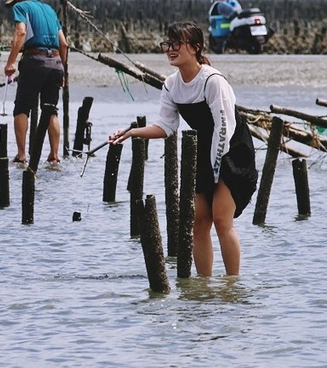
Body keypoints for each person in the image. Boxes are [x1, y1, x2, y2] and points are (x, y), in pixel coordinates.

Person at [108, 21, 258, 276]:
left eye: (177, 43)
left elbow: (225, 127)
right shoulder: (171, 84)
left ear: (196, 47)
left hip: (232, 150)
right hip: (202, 151)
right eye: (167, 43)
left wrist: (215, 169)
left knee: (222, 220)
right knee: (199, 225)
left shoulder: (212, 81)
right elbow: (166, 126)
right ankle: (203, 287)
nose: (170, 49)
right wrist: (132, 132)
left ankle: (232, 285)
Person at [2, 0, 68, 166]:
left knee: (22, 107)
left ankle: (22, 154)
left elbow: (21, 33)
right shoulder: (49, 9)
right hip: (56, 62)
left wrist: (10, 62)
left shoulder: (21, 7)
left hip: (34, 61)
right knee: (51, 109)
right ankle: (54, 156)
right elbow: (63, 44)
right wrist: (62, 70)